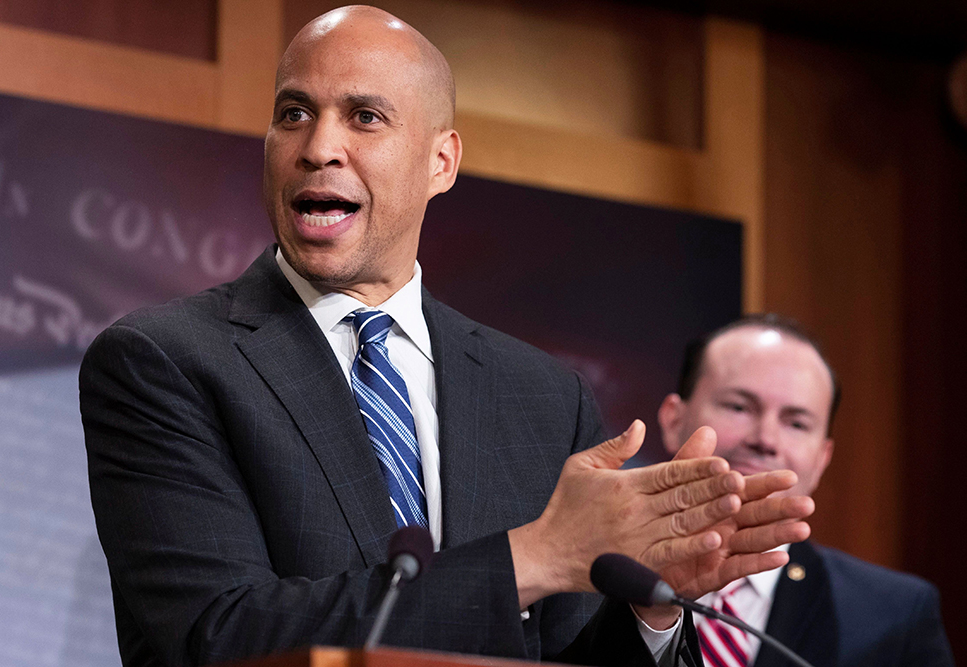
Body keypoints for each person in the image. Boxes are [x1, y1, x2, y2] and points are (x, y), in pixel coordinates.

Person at [80, 8, 813, 667]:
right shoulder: (165, 361)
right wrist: (536, 556)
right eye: (294, 112)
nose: (318, 146)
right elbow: (214, 635)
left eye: (364, 116)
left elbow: (569, 651)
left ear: (442, 161)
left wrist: (652, 605)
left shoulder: (543, 398)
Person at [657, 314, 955, 667]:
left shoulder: (896, 613)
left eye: (797, 423)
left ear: (822, 458)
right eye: (738, 406)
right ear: (674, 420)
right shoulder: (589, 583)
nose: (765, 440)